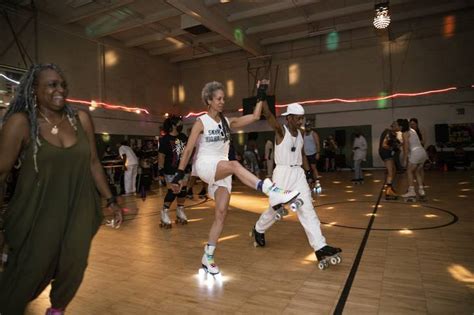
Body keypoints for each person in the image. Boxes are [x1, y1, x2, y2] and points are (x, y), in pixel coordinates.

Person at [0, 64, 123, 315]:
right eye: (52, 84)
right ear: (34, 89)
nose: (60, 89)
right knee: (30, 270)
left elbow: (93, 163)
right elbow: (1, 174)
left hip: (80, 206)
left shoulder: (80, 119)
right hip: (38, 211)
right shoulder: (20, 123)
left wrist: (110, 200)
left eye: (62, 84)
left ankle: (56, 310)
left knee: (75, 264)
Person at [171, 80, 300, 275]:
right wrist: (179, 175)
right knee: (235, 165)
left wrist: (261, 93)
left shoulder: (227, 122)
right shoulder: (201, 122)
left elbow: (256, 115)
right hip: (206, 164)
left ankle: (208, 256)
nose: (222, 102)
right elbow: (188, 149)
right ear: (209, 100)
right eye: (219, 99)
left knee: (221, 214)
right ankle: (272, 190)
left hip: (222, 169)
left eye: (223, 98)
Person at [251, 103, 341, 268]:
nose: (301, 121)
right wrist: (262, 99)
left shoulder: (300, 133)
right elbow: (270, 116)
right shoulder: (280, 131)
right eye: (298, 118)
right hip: (282, 173)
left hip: (298, 174)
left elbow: (302, 155)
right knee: (275, 209)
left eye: (302, 118)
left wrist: (309, 174)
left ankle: (320, 247)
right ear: (289, 118)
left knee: (307, 209)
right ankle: (258, 229)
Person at [158, 115, 189, 227]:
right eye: (179, 122)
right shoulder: (165, 139)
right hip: (170, 169)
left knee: (183, 190)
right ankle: (164, 212)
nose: (181, 124)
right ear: (173, 125)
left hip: (183, 169)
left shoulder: (183, 137)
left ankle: (180, 211)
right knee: (173, 191)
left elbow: (188, 152)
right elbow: (161, 156)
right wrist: (160, 170)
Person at [399, 119, 428, 200]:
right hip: (422, 152)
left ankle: (411, 191)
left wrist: (405, 159)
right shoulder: (412, 130)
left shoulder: (404, 133)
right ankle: (421, 190)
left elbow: (406, 146)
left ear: (401, 126)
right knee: (417, 172)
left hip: (415, 152)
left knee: (409, 171)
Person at [379, 121, 401, 200]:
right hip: (386, 153)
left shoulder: (393, 134)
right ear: (395, 126)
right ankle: (388, 191)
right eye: (399, 126)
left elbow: (397, 144)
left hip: (387, 153)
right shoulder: (389, 133)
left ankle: (390, 187)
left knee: (394, 169)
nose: (400, 128)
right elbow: (384, 145)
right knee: (391, 171)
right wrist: (393, 148)